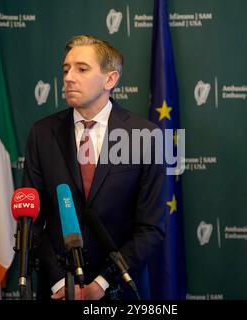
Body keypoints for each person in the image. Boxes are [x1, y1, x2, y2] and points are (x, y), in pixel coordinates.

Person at [22, 35, 166, 300]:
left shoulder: (146, 136)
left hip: (120, 289)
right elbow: (32, 222)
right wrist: (58, 283)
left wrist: (101, 283)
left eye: (82, 69)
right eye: (66, 69)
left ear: (110, 80)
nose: (68, 77)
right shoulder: (42, 133)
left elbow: (151, 228)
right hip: (57, 290)